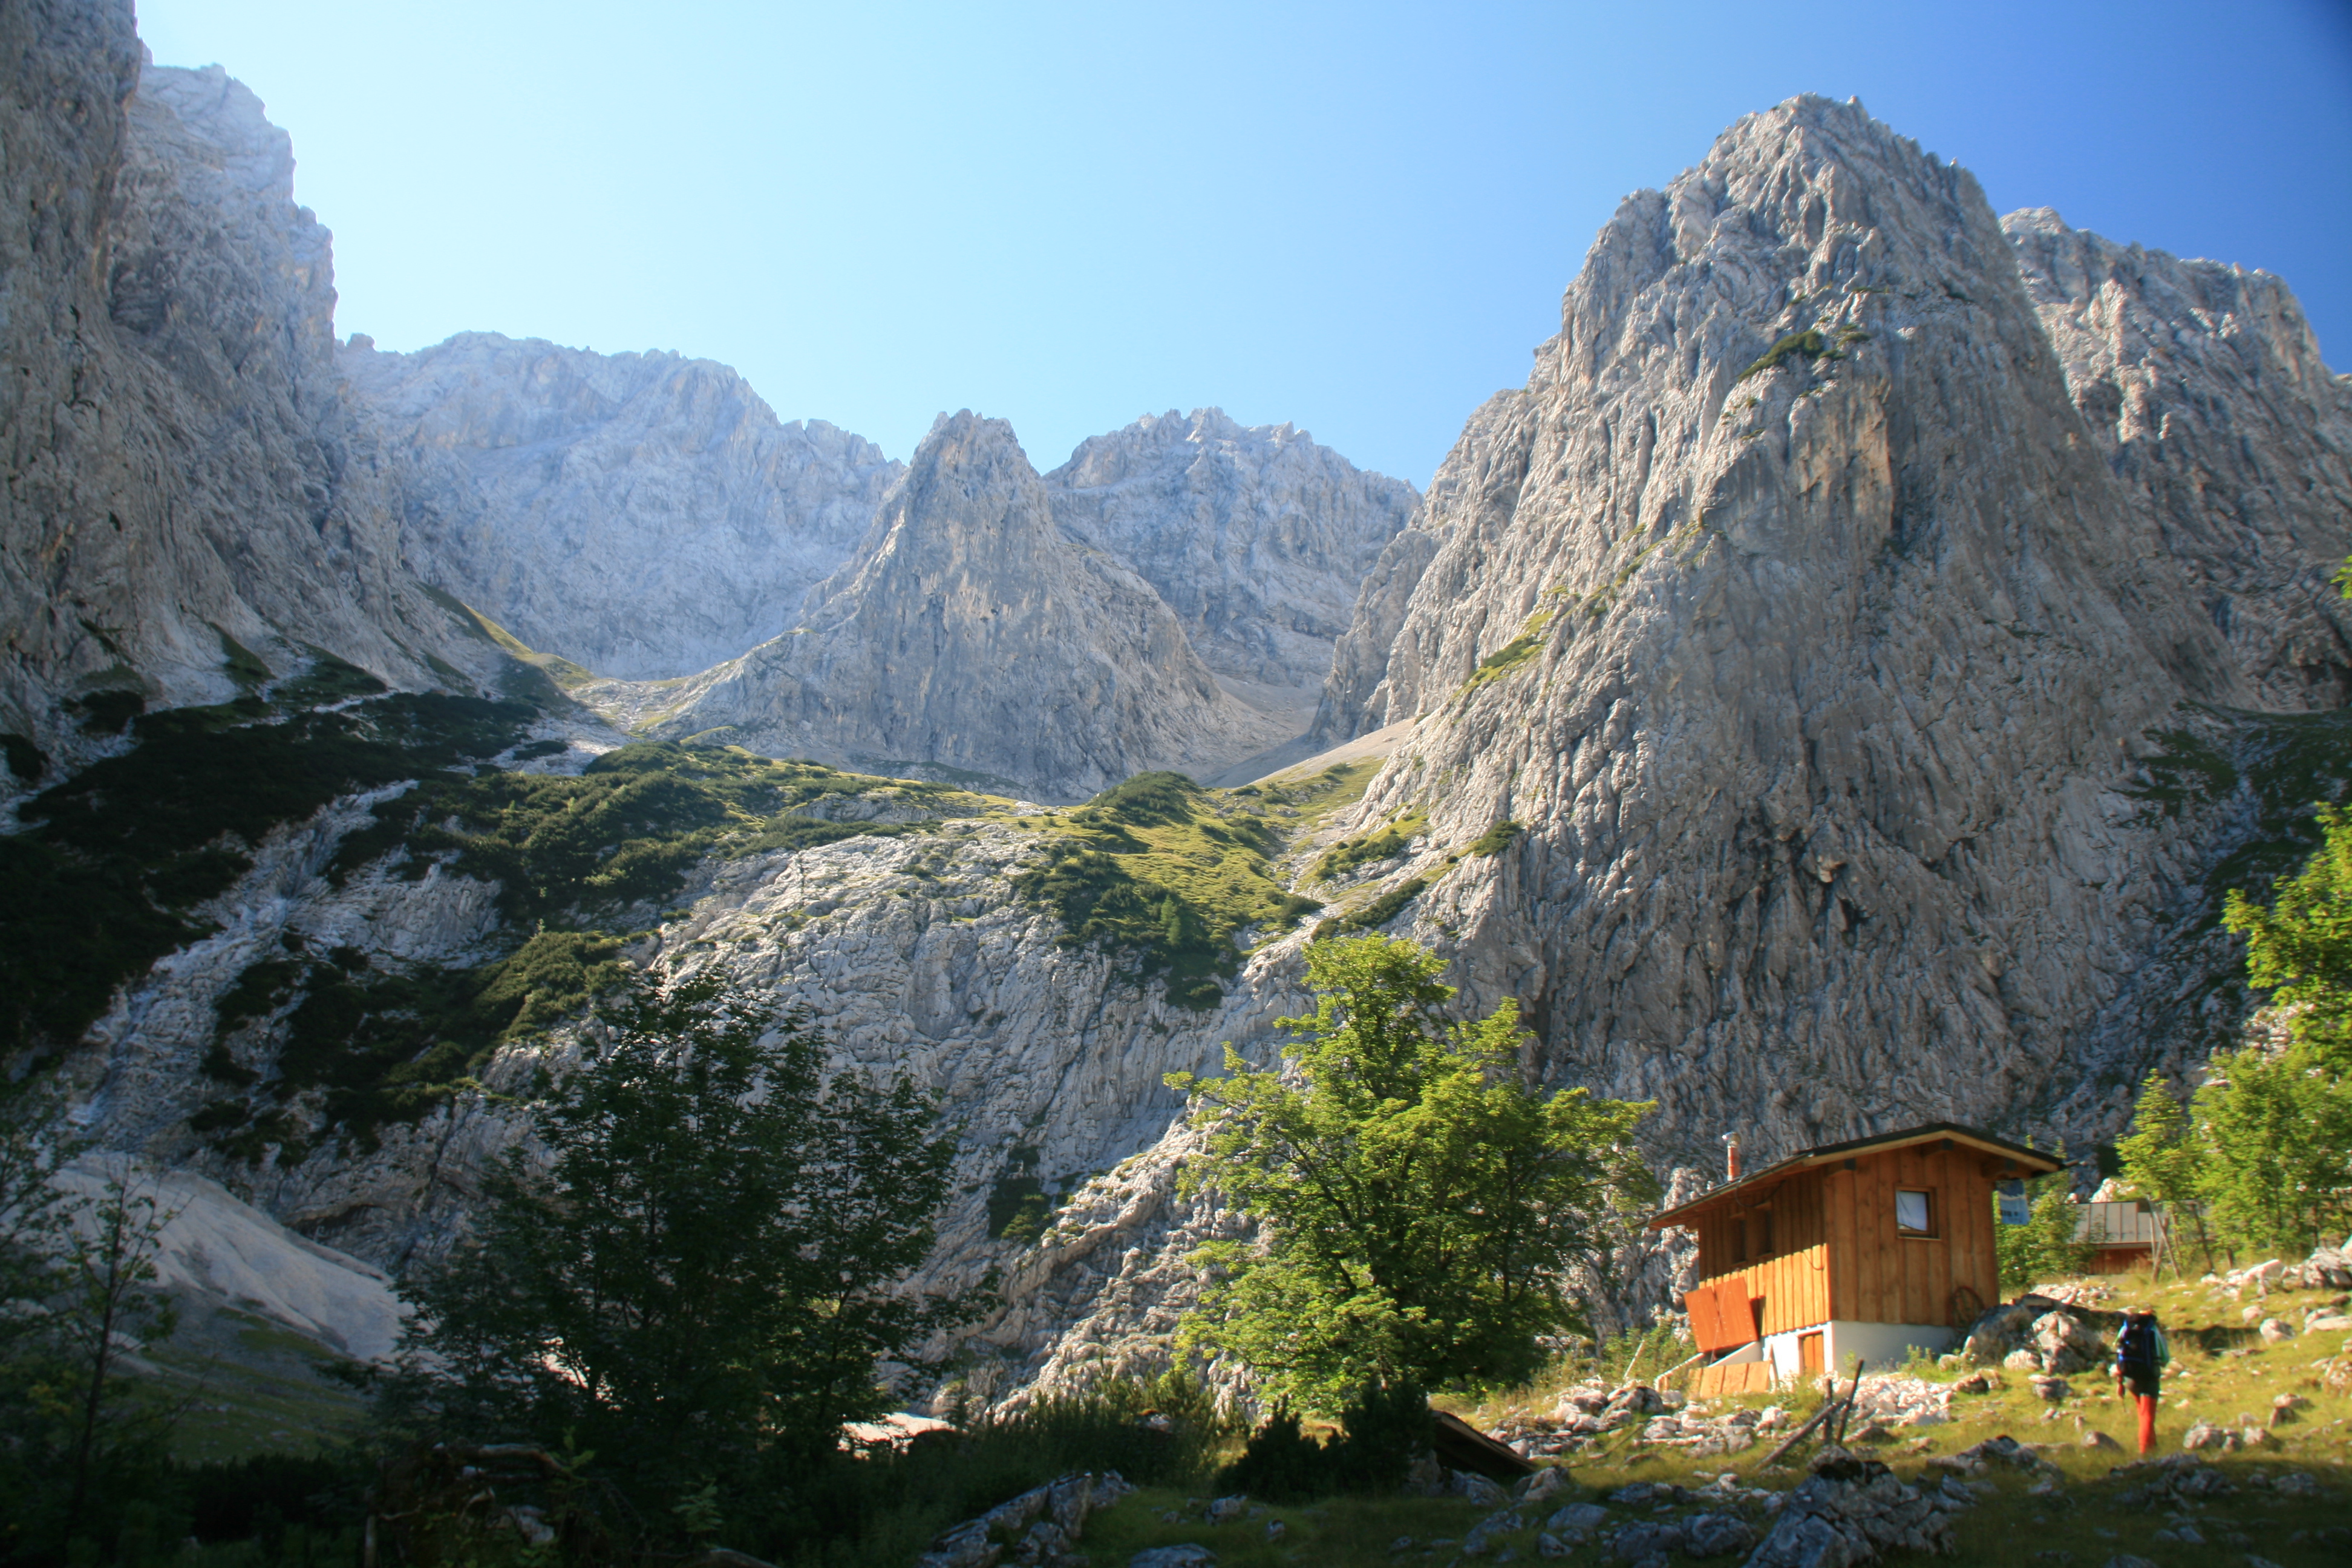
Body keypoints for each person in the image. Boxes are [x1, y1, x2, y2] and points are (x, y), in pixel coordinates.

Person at [2114, 1307, 2169, 1455]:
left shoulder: (2126, 1329)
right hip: (2149, 1376)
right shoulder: (2154, 1331)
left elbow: (2119, 1351)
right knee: (2148, 1416)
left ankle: (2152, 1446)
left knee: (2142, 1411)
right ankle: (2145, 1451)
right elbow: (2165, 1358)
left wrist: (2120, 1379)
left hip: (2130, 1377)